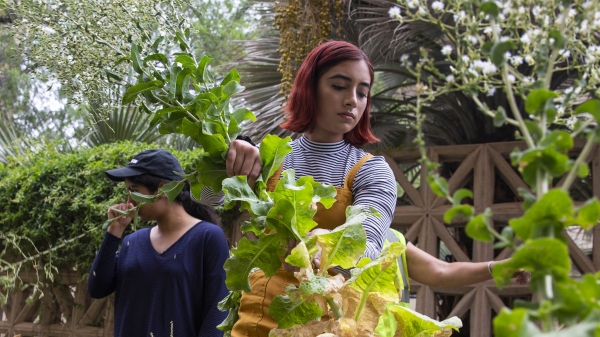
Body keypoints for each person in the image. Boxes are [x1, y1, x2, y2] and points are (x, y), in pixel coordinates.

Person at [225, 40, 528, 337]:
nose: (352, 100)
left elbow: (369, 243)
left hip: (329, 324)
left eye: (362, 92)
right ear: (310, 87)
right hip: (259, 317)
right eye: (339, 86)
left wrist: (327, 248)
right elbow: (208, 204)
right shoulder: (270, 156)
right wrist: (233, 161)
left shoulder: (371, 170)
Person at [87, 149, 229, 337]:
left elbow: (217, 314)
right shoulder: (132, 242)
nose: (129, 200)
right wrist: (114, 232)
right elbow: (97, 288)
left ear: (162, 189)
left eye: (134, 191)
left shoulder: (207, 238)